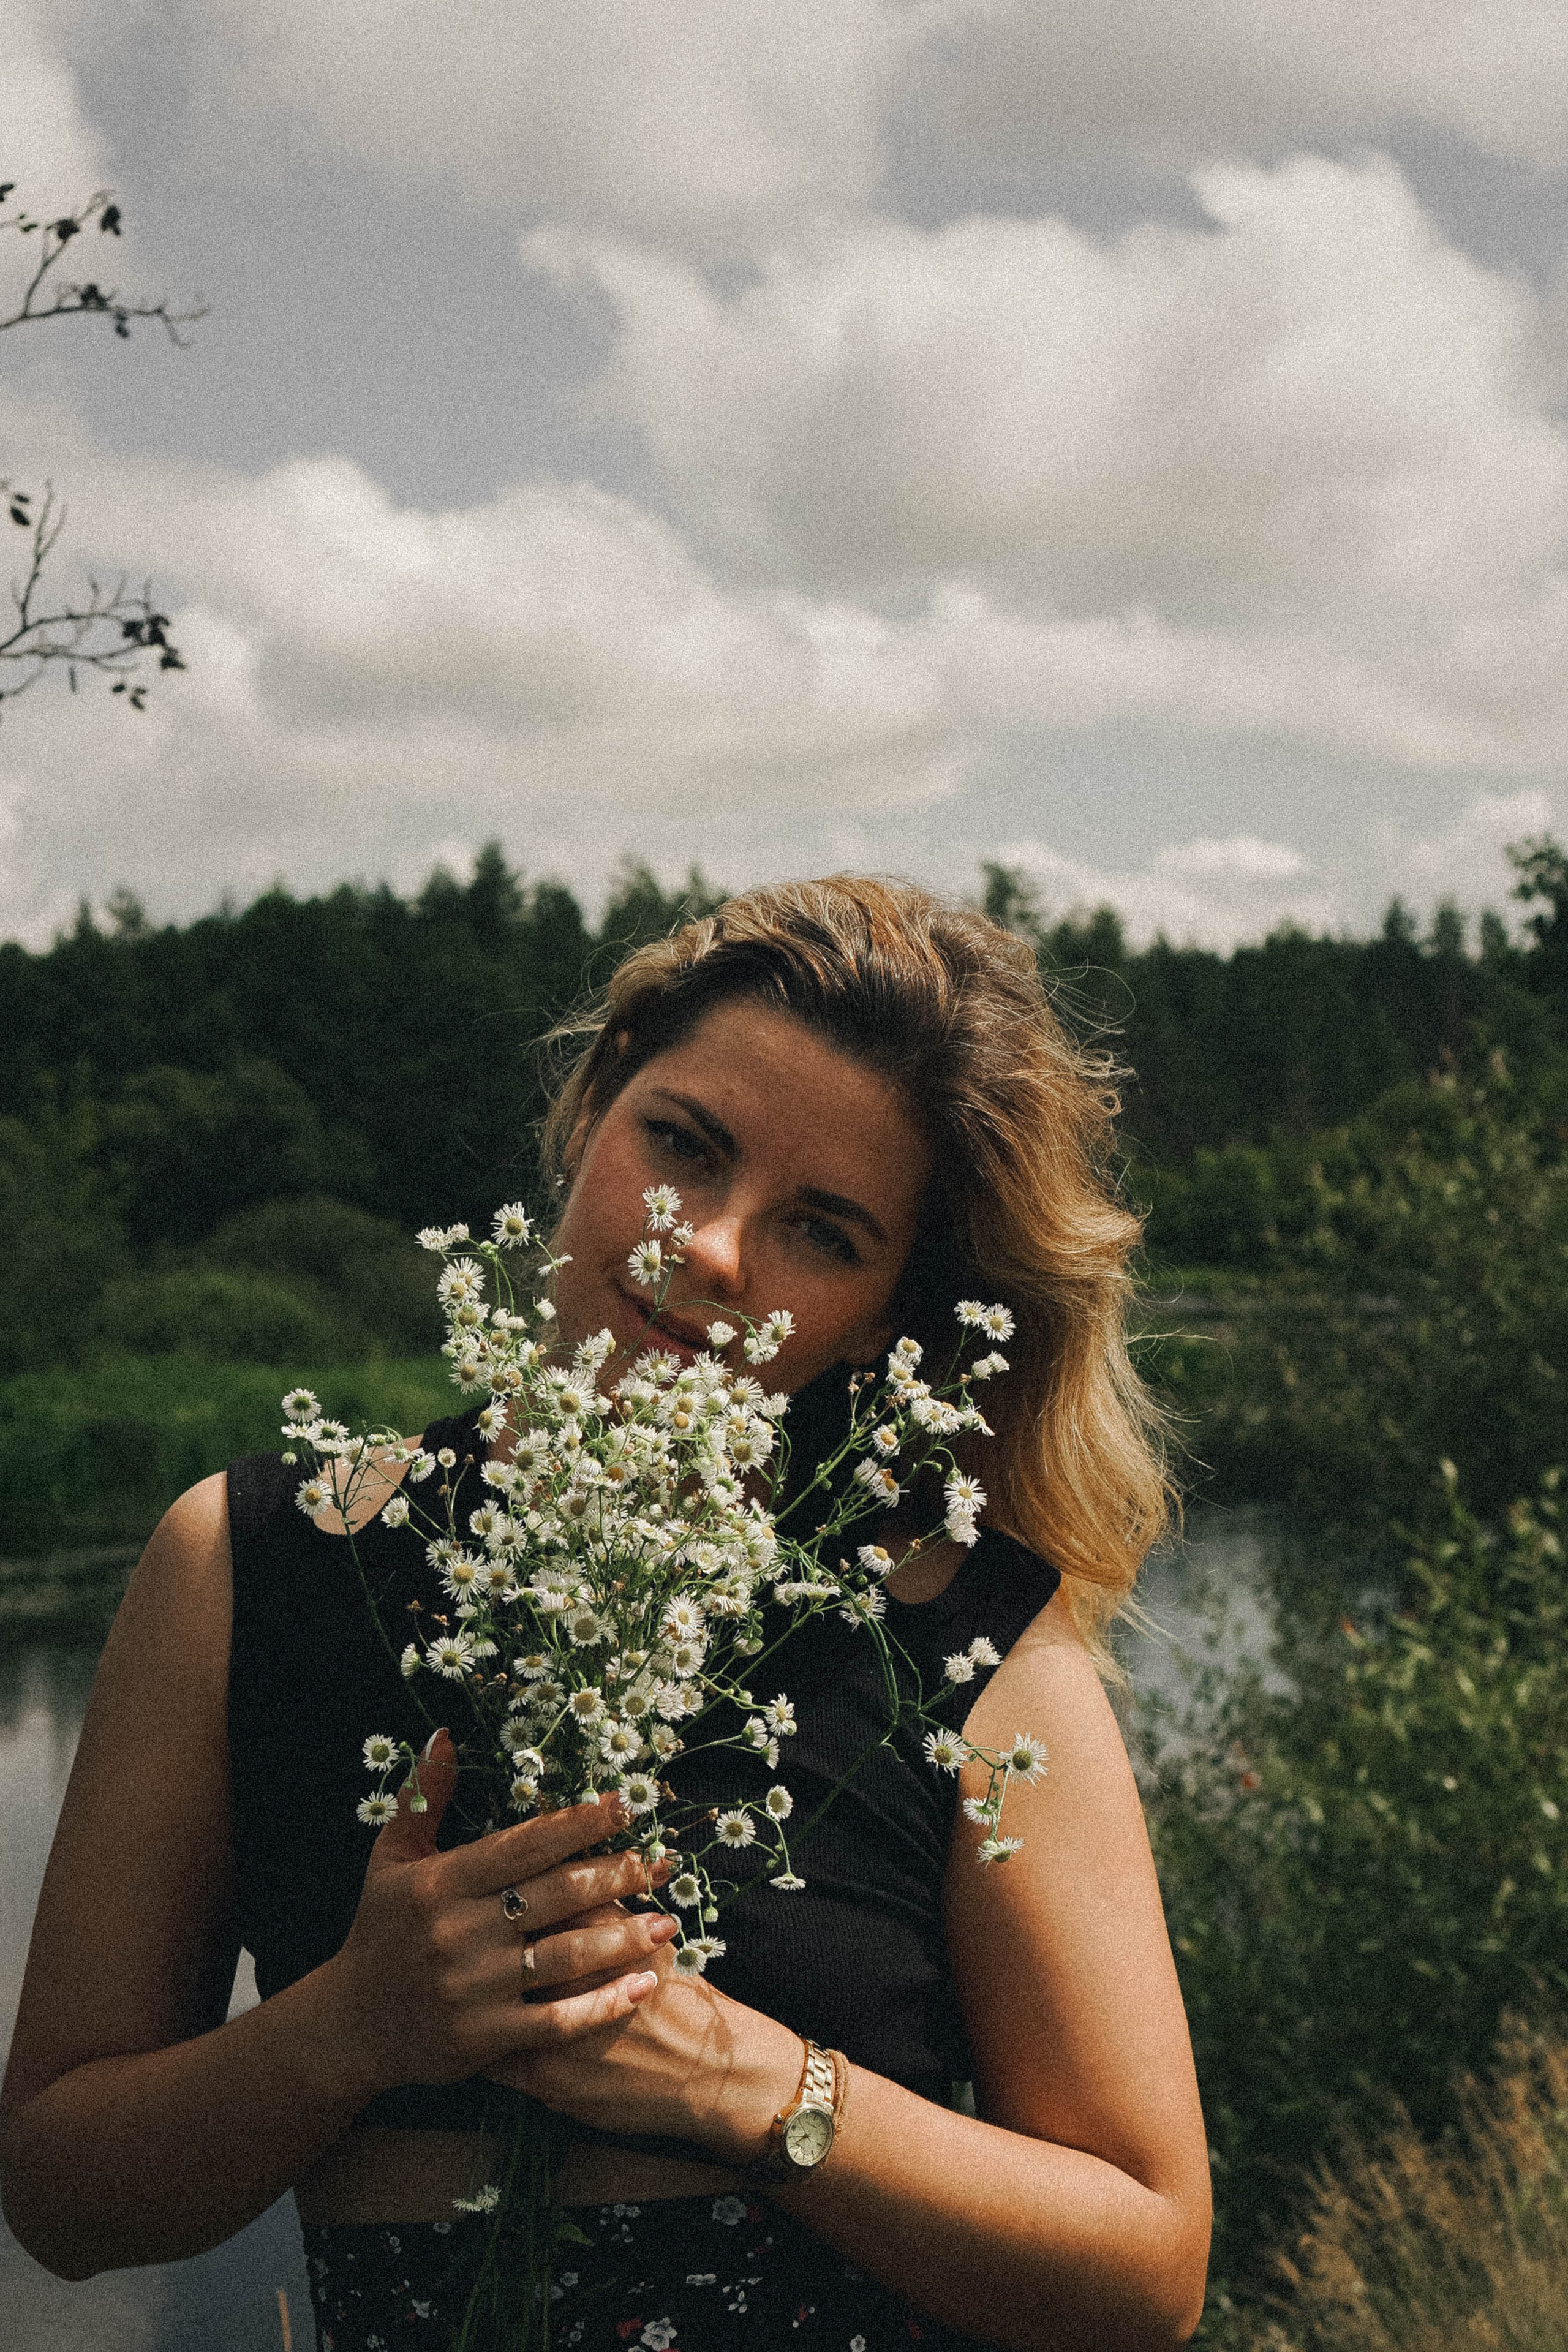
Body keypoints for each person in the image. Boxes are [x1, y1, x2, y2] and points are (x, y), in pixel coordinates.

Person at [1, 876, 1212, 2351]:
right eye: (683, 1146)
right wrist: (347, 2030)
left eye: (823, 1231)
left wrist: (743, 2082)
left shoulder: (968, 1649)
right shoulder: (255, 1563)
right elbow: (59, 2198)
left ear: (890, 1316)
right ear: (594, 1104)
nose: (710, 1249)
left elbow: (1147, 2275)